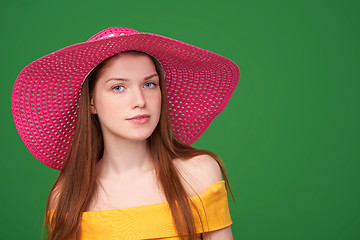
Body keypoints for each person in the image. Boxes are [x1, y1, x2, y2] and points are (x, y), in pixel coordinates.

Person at [11, 27, 240, 240]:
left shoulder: (198, 174)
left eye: (149, 84)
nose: (140, 101)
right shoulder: (67, 196)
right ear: (91, 102)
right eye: (118, 87)